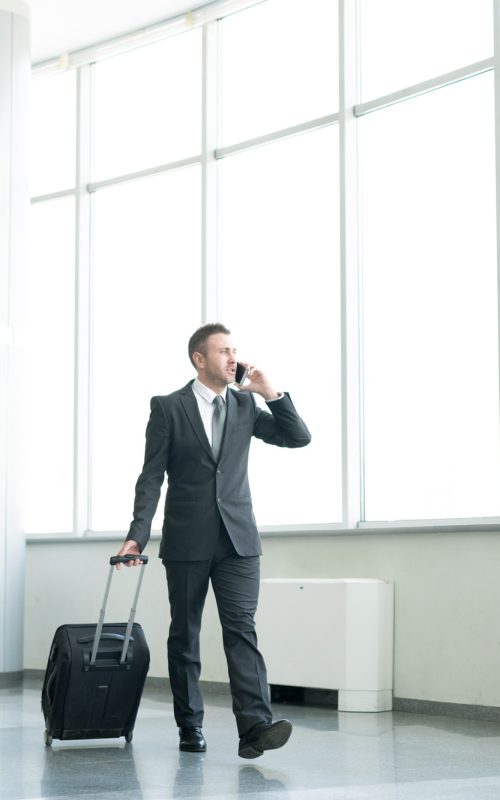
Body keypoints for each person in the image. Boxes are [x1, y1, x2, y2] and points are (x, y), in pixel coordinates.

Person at [116, 322, 311, 759]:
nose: (233, 358)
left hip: (239, 540)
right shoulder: (168, 408)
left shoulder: (244, 406)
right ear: (198, 359)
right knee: (185, 635)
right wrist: (137, 536)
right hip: (188, 540)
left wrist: (270, 392)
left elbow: (297, 437)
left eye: (235, 350)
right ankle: (190, 726)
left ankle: (255, 728)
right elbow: (151, 478)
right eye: (223, 350)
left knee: (241, 630)